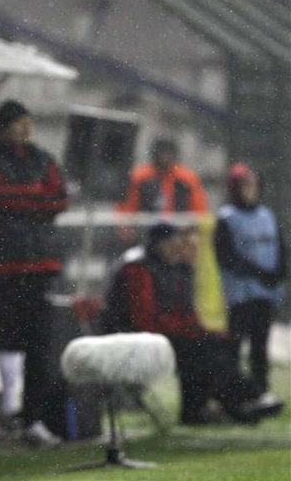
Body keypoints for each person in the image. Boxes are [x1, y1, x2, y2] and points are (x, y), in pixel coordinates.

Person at [0, 100, 68, 450]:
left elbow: (58, 199)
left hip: (38, 268)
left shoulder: (42, 159)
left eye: (29, 122)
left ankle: (32, 420)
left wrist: (20, 200)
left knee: (39, 346)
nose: (27, 129)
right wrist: (33, 199)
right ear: (2, 127)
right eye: (20, 123)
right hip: (0, 269)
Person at [100, 222, 284, 424]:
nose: (176, 249)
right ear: (156, 245)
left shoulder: (169, 267)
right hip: (135, 339)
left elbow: (180, 312)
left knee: (215, 344)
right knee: (199, 351)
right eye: (169, 244)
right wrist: (190, 331)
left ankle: (208, 409)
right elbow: (144, 319)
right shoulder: (138, 269)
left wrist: (199, 330)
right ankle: (243, 400)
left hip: (159, 335)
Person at [214, 163, 287, 397]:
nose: (251, 190)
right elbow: (227, 257)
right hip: (240, 295)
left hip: (266, 294)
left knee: (260, 347)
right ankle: (233, 393)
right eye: (246, 185)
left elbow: (279, 248)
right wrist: (259, 273)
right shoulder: (227, 218)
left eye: (255, 185)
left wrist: (278, 274)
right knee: (234, 347)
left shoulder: (266, 215)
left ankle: (261, 391)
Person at [117, 138, 208, 214]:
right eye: (162, 153)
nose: (165, 157)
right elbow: (128, 205)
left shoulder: (187, 177)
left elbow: (198, 208)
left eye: (168, 153)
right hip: (145, 226)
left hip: (178, 227)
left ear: (174, 155)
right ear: (155, 154)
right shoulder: (141, 175)